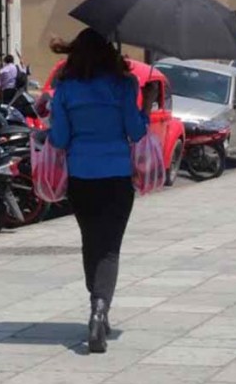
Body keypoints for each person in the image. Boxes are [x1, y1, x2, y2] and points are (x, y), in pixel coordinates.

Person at [48, 28, 156, 354]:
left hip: (81, 176)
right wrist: (146, 105)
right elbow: (136, 131)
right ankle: (99, 307)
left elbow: (59, 139)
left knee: (90, 242)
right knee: (110, 248)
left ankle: (97, 303)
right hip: (116, 176)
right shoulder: (124, 86)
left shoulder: (65, 91)